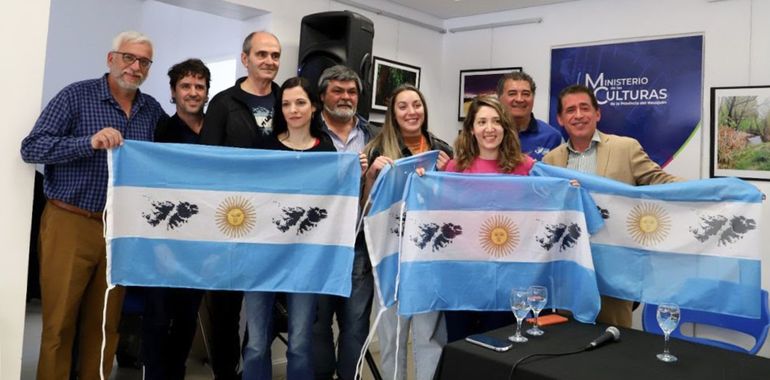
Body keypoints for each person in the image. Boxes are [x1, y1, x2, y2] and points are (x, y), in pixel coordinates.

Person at [20, 30, 165, 380]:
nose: (135, 67)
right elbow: (32, 147)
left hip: (118, 231)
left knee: (104, 325)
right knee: (59, 325)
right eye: (129, 57)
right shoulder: (76, 96)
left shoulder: (151, 110)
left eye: (144, 62)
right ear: (111, 58)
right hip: (70, 222)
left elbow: (164, 159)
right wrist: (88, 142)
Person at [543, 84, 681, 328]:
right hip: (571, 265)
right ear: (560, 119)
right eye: (570, 110)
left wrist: (714, 192)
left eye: (585, 108)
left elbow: (660, 181)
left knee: (615, 337)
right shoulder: (551, 160)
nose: (578, 115)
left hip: (616, 266)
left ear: (597, 113)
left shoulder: (625, 148)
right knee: (567, 336)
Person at [198, 30, 282, 379]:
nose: (269, 61)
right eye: (262, 54)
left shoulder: (289, 100)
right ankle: (225, 373)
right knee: (226, 308)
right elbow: (206, 161)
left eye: (275, 55)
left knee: (269, 307)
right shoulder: (223, 103)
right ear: (245, 58)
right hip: (231, 222)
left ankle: (251, 368)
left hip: (276, 224)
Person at [243, 77, 335, 379]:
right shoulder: (265, 147)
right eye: (286, 104)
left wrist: (356, 173)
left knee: (300, 343)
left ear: (314, 107)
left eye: (300, 102)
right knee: (256, 344)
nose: (293, 109)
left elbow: (335, 203)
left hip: (305, 259)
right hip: (262, 256)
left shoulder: (327, 152)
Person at [364, 84, 452, 380]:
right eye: (403, 106)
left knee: (430, 336)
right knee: (392, 337)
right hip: (391, 256)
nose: (411, 112)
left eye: (417, 105)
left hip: (430, 256)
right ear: (393, 113)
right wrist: (371, 175)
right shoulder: (377, 149)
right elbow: (365, 210)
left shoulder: (443, 150)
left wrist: (448, 173)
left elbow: (455, 205)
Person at [441, 95, 535, 342]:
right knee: (461, 346)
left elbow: (545, 205)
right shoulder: (455, 168)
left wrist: (569, 188)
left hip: (507, 278)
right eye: (482, 122)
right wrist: (421, 180)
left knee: (500, 345)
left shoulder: (525, 167)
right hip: (463, 275)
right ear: (471, 129)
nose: (489, 128)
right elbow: (442, 216)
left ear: (506, 127)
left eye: (496, 121)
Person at [142, 58, 211, 380]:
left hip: (203, 240)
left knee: (187, 317)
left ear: (207, 92)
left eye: (199, 86)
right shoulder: (161, 131)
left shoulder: (217, 131)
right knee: (157, 317)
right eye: (185, 86)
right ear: (173, 92)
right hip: (164, 239)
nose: (193, 92)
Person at [312, 65, 378, 380]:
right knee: (317, 325)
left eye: (351, 91)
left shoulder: (373, 135)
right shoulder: (308, 130)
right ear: (323, 95)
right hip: (318, 245)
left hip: (359, 243)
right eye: (337, 90)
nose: (345, 97)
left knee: (355, 326)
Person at [496, 71, 562, 161]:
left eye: (525, 94)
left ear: (533, 98)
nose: (519, 99)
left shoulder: (551, 137)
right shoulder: (489, 133)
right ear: (499, 98)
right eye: (512, 93)